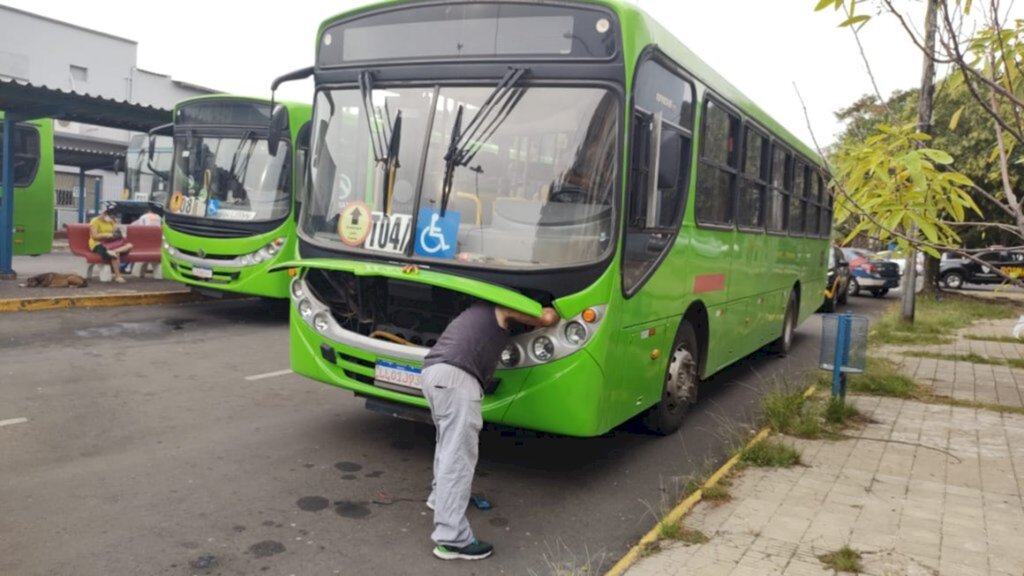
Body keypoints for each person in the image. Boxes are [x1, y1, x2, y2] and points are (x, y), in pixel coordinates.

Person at [422, 297, 559, 561]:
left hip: (433, 374)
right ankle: (452, 540)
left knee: (447, 445)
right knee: (458, 457)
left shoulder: (473, 313)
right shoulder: (499, 306)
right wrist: (555, 307)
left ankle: (439, 499)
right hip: (457, 379)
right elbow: (546, 319)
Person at [88, 205, 133, 283]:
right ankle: (118, 276)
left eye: (112, 216)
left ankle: (114, 251)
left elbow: (116, 234)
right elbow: (94, 236)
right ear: (104, 214)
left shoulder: (112, 221)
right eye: (109, 215)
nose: (110, 217)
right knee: (115, 255)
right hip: (98, 244)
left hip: (111, 243)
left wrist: (116, 232)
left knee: (129, 245)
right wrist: (105, 235)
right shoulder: (95, 221)